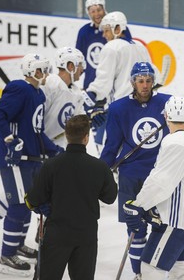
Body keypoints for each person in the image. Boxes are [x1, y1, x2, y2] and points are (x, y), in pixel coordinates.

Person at [0, 47, 86, 252]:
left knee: (27, 195)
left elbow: (71, 121)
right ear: (70, 65)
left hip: (44, 146)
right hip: (30, 146)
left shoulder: (75, 92)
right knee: (23, 196)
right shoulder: (52, 84)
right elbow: (25, 111)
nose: (84, 69)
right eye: (80, 64)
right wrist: (15, 137)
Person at [123, 96, 184, 279]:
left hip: (175, 220)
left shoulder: (176, 143)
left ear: (166, 115)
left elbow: (160, 181)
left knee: (150, 268)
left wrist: (139, 204)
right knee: (180, 269)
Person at [24, 114, 118, 280]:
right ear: (86, 138)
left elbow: (32, 200)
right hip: (86, 237)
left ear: (67, 136)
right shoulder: (99, 167)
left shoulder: (51, 165)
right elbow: (110, 197)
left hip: (57, 234)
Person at [100, 62, 171, 279]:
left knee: (161, 226)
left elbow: (181, 133)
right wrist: (100, 173)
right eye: (140, 81)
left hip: (159, 177)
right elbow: (111, 146)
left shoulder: (167, 103)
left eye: (148, 80)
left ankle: (152, 272)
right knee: (135, 229)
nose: (145, 85)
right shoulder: (118, 108)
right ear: (133, 82)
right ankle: (138, 273)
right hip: (130, 177)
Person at [83, 11, 151, 151]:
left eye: (107, 30)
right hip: (142, 108)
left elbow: (103, 82)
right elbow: (152, 75)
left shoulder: (111, 48)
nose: (104, 35)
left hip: (120, 109)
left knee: (108, 153)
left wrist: (90, 97)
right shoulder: (140, 47)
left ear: (118, 29)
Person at [76, 0, 132, 152]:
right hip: (94, 89)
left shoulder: (117, 28)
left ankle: (116, 159)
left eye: (99, 9)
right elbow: (80, 59)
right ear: (88, 13)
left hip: (115, 90)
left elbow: (128, 55)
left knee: (118, 129)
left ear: (104, 8)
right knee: (98, 128)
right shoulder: (84, 32)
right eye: (92, 11)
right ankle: (106, 158)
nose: (96, 13)